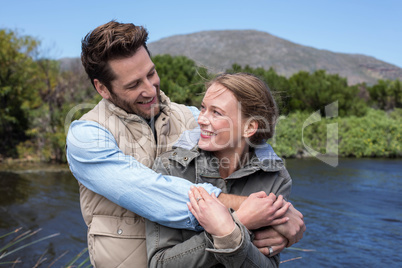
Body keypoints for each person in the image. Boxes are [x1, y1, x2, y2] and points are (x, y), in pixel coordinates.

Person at [66, 21, 305, 267]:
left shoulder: (192, 118)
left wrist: (280, 212)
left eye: (150, 74)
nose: (150, 90)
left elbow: (249, 138)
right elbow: (153, 193)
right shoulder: (86, 136)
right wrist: (254, 212)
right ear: (102, 88)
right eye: (133, 84)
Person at [146, 73, 304, 267]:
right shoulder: (170, 167)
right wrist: (237, 224)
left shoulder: (276, 177)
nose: (202, 119)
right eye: (203, 108)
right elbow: (160, 264)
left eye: (216, 113)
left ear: (249, 128)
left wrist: (229, 231)